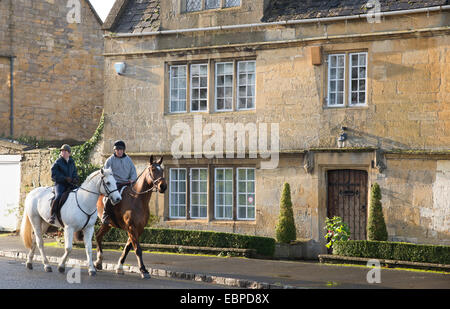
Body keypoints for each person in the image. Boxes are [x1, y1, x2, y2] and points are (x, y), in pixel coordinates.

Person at [101, 140, 137, 225]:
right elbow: (106, 174)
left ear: (123, 150)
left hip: (127, 184)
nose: (119, 151)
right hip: (115, 184)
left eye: (121, 150)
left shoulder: (128, 160)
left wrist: (132, 179)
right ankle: (105, 215)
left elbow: (133, 172)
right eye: (117, 150)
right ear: (115, 150)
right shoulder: (110, 160)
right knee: (109, 197)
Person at [49, 144, 79, 224]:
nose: (63, 153)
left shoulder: (72, 162)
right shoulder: (58, 162)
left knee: (79, 193)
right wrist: (64, 178)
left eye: (65, 151)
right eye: (62, 151)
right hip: (60, 184)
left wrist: (75, 178)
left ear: (69, 153)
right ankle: (53, 215)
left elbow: (75, 173)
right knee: (58, 196)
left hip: (70, 184)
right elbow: (53, 175)